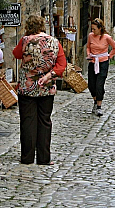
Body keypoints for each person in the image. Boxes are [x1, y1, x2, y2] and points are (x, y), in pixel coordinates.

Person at [13, 15, 67, 165]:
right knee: (44, 121)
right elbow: (62, 64)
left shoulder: (25, 40)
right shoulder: (54, 42)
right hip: (46, 87)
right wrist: (49, 75)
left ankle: (27, 158)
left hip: (27, 87)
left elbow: (16, 54)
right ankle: (44, 158)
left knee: (27, 122)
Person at [87, 18, 115, 116]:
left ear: (100, 28)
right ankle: (95, 101)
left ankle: (99, 107)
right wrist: (89, 54)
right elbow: (88, 47)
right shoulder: (90, 36)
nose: (93, 31)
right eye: (92, 29)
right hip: (93, 62)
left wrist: (109, 56)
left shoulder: (106, 37)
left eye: (94, 29)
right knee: (91, 85)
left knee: (99, 84)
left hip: (103, 63)